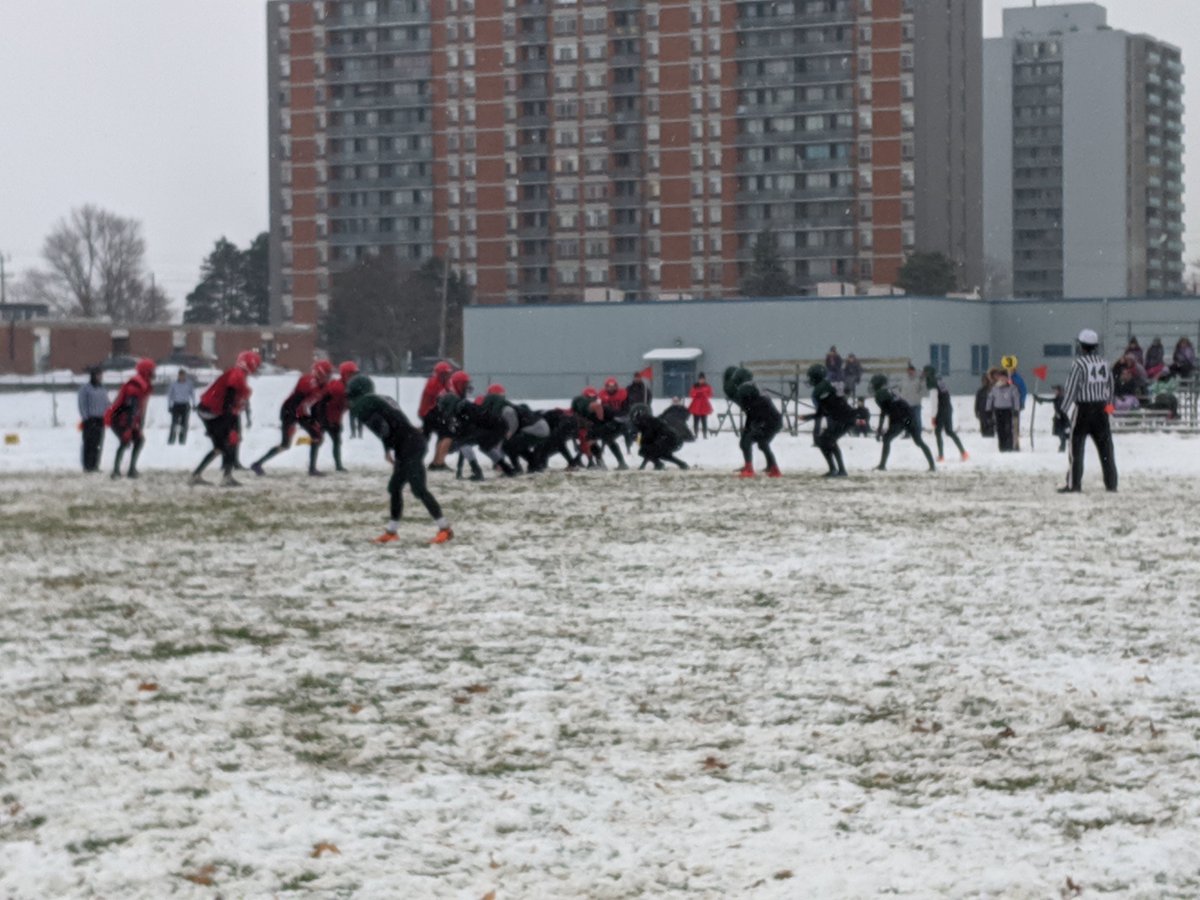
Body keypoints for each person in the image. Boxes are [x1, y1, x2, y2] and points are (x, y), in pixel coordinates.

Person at [347, 374, 453, 544]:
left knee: (419, 489)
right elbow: (391, 422)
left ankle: (445, 529)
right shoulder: (381, 398)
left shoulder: (363, 404)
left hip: (409, 445)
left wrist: (387, 446)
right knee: (395, 487)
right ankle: (392, 531)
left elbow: (382, 426)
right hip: (409, 443)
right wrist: (390, 447)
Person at [251, 359, 334, 476]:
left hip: (300, 411)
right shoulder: (307, 383)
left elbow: (317, 405)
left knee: (317, 436)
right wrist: (298, 421)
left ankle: (312, 469)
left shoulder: (324, 386)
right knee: (285, 445)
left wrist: (316, 420)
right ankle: (257, 464)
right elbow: (295, 403)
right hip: (289, 412)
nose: (329, 377)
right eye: (327, 374)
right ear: (319, 373)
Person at [1059, 328, 1117, 493]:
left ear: (1082, 346)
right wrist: (1109, 409)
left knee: (1076, 449)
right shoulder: (1104, 364)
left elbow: (1071, 389)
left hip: (1083, 409)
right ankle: (1111, 483)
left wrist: (1063, 410)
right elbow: (1111, 388)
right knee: (1106, 450)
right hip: (1101, 410)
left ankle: (1074, 484)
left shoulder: (1078, 364)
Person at [192, 350, 260, 486]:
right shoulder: (238, 375)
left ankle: (196, 475)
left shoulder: (237, 373)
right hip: (213, 411)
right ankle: (226, 477)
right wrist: (229, 423)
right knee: (229, 442)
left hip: (210, 410)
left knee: (221, 446)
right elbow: (229, 397)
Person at [724, 365, 782, 477]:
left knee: (746, 442)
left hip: (766, 420)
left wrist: (752, 426)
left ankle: (749, 468)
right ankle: (773, 468)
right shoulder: (753, 387)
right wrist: (749, 427)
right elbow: (753, 410)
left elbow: (751, 410)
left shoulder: (745, 388)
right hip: (773, 419)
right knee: (762, 443)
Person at [871, 374, 936, 473]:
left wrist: (880, 429)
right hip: (909, 418)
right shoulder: (890, 391)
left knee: (886, 439)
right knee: (919, 441)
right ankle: (932, 465)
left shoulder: (880, 394)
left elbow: (884, 412)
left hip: (900, 419)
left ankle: (882, 465)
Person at [105, 358, 156, 479]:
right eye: (152, 371)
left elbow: (139, 409)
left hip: (128, 419)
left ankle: (131, 469)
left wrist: (138, 425)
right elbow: (130, 409)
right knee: (125, 441)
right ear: (146, 371)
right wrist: (129, 428)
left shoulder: (143, 384)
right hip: (119, 419)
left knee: (138, 440)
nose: (155, 373)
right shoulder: (135, 386)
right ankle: (116, 471)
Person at [802, 363, 854, 477]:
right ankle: (837, 469)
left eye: (811, 377)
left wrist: (810, 417)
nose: (810, 380)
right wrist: (810, 417)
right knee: (827, 440)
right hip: (846, 417)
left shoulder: (819, 390)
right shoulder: (826, 385)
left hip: (843, 418)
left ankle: (837, 470)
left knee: (825, 441)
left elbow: (823, 410)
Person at [316, 361, 358, 472]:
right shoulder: (337, 387)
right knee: (317, 440)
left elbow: (345, 405)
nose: (353, 377)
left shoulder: (346, 387)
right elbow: (323, 402)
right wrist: (324, 420)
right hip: (324, 417)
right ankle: (312, 467)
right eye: (351, 374)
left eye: (354, 375)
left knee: (336, 441)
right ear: (345, 374)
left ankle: (338, 466)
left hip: (334, 419)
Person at [923, 365, 968, 462]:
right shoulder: (940, 381)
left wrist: (933, 416)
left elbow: (934, 402)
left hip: (940, 410)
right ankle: (963, 452)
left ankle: (941, 456)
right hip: (948, 408)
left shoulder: (933, 384)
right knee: (949, 431)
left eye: (925, 372)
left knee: (938, 433)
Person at [628, 404, 689, 470]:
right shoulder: (649, 421)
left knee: (645, 451)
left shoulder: (647, 424)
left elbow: (646, 448)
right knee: (660, 453)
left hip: (669, 439)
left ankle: (659, 464)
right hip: (672, 439)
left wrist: (642, 466)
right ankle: (681, 464)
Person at [420, 361, 455, 469]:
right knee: (442, 436)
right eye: (445, 373)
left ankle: (437, 462)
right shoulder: (433, 383)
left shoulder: (446, 383)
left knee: (441, 436)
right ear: (440, 374)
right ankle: (436, 463)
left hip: (436, 413)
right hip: (429, 413)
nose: (448, 375)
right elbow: (439, 399)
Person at [77, 367, 109, 473]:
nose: (100, 377)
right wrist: (85, 418)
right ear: (93, 376)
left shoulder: (102, 389)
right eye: (98, 375)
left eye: (101, 375)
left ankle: (95, 465)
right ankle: (87, 466)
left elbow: (106, 403)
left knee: (97, 444)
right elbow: (82, 404)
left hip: (100, 419)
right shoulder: (85, 389)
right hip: (90, 419)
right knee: (88, 443)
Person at [986, 369, 1021, 452]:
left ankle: (1009, 446)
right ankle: (1002, 447)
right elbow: (990, 399)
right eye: (1001, 378)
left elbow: (1016, 399)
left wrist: (1016, 409)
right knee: (1000, 429)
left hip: (1007, 410)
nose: (1002, 380)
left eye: (1004, 378)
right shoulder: (995, 388)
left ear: (1007, 378)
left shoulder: (1012, 388)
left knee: (1008, 428)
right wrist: (988, 409)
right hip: (998, 410)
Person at [1033, 385, 1070, 452]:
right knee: (1061, 434)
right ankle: (1062, 447)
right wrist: (1038, 398)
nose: (1055, 391)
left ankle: (1062, 447)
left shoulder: (1061, 398)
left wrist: (1039, 399)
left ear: (1060, 391)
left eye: (1056, 390)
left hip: (1062, 419)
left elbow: (1061, 408)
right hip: (1058, 418)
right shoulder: (1058, 398)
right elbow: (1049, 400)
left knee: (1062, 434)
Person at [166, 369, 195, 445]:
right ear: (178, 376)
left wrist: (194, 404)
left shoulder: (189, 383)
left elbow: (192, 394)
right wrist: (169, 406)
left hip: (185, 405)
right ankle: (171, 440)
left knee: (184, 423)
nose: (181, 376)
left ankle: (182, 440)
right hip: (176, 405)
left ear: (185, 375)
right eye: (180, 375)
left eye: (183, 375)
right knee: (174, 423)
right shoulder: (173, 384)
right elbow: (170, 395)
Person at [896, 362, 925, 435]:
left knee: (917, 419)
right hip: (906, 404)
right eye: (909, 370)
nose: (910, 372)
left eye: (912, 370)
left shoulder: (918, 379)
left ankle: (918, 432)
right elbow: (900, 388)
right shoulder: (904, 379)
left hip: (915, 403)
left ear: (914, 371)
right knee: (907, 419)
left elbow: (923, 390)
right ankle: (907, 432)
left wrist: (919, 396)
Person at [687, 372, 714, 438]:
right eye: (700, 379)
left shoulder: (707, 386)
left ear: (704, 380)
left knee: (704, 421)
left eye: (702, 379)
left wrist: (703, 393)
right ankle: (696, 434)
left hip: (704, 405)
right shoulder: (695, 386)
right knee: (696, 421)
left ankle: (705, 434)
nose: (701, 380)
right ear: (698, 379)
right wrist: (697, 392)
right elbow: (691, 394)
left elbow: (710, 394)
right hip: (696, 405)